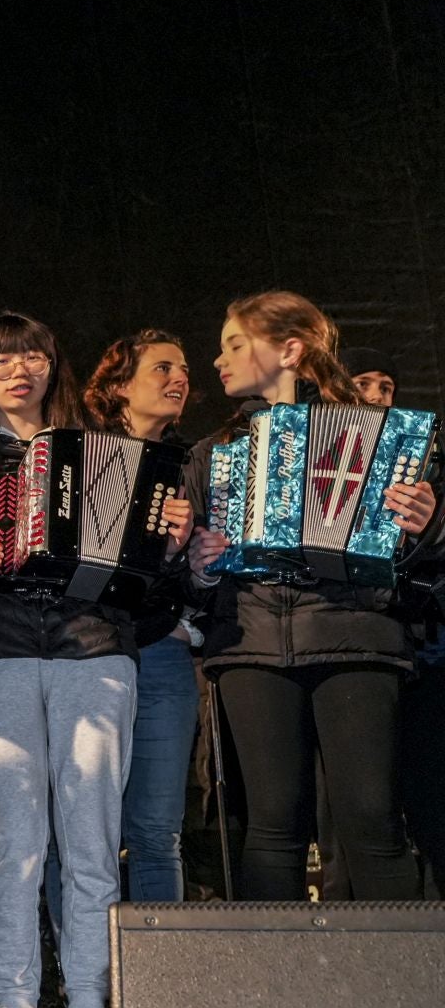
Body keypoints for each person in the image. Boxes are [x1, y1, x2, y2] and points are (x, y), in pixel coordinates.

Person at [0, 313, 191, 1008]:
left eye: (36, 354)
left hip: (96, 650)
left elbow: (151, 592)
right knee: (11, 844)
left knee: (90, 843)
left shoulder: (110, 455)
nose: (21, 369)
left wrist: (169, 550)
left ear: (54, 367)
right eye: (1, 357)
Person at [186, 292, 433, 902]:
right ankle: (277, 991)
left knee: (371, 817)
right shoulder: (211, 451)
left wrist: (431, 523)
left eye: (235, 344)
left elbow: (419, 558)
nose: (219, 360)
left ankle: (404, 989)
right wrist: (198, 566)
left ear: (290, 349)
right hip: (251, 642)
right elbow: (186, 576)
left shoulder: (379, 434)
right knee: (271, 823)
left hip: (355, 632)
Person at [82, 330, 200, 902]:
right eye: (161, 369)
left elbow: (204, 576)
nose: (179, 378)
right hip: (89, 652)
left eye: (183, 369)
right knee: (83, 834)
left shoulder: (192, 463)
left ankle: (164, 983)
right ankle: (90, 975)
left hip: (159, 654)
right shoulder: (82, 452)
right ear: (120, 386)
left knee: (157, 832)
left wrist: (181, 563)